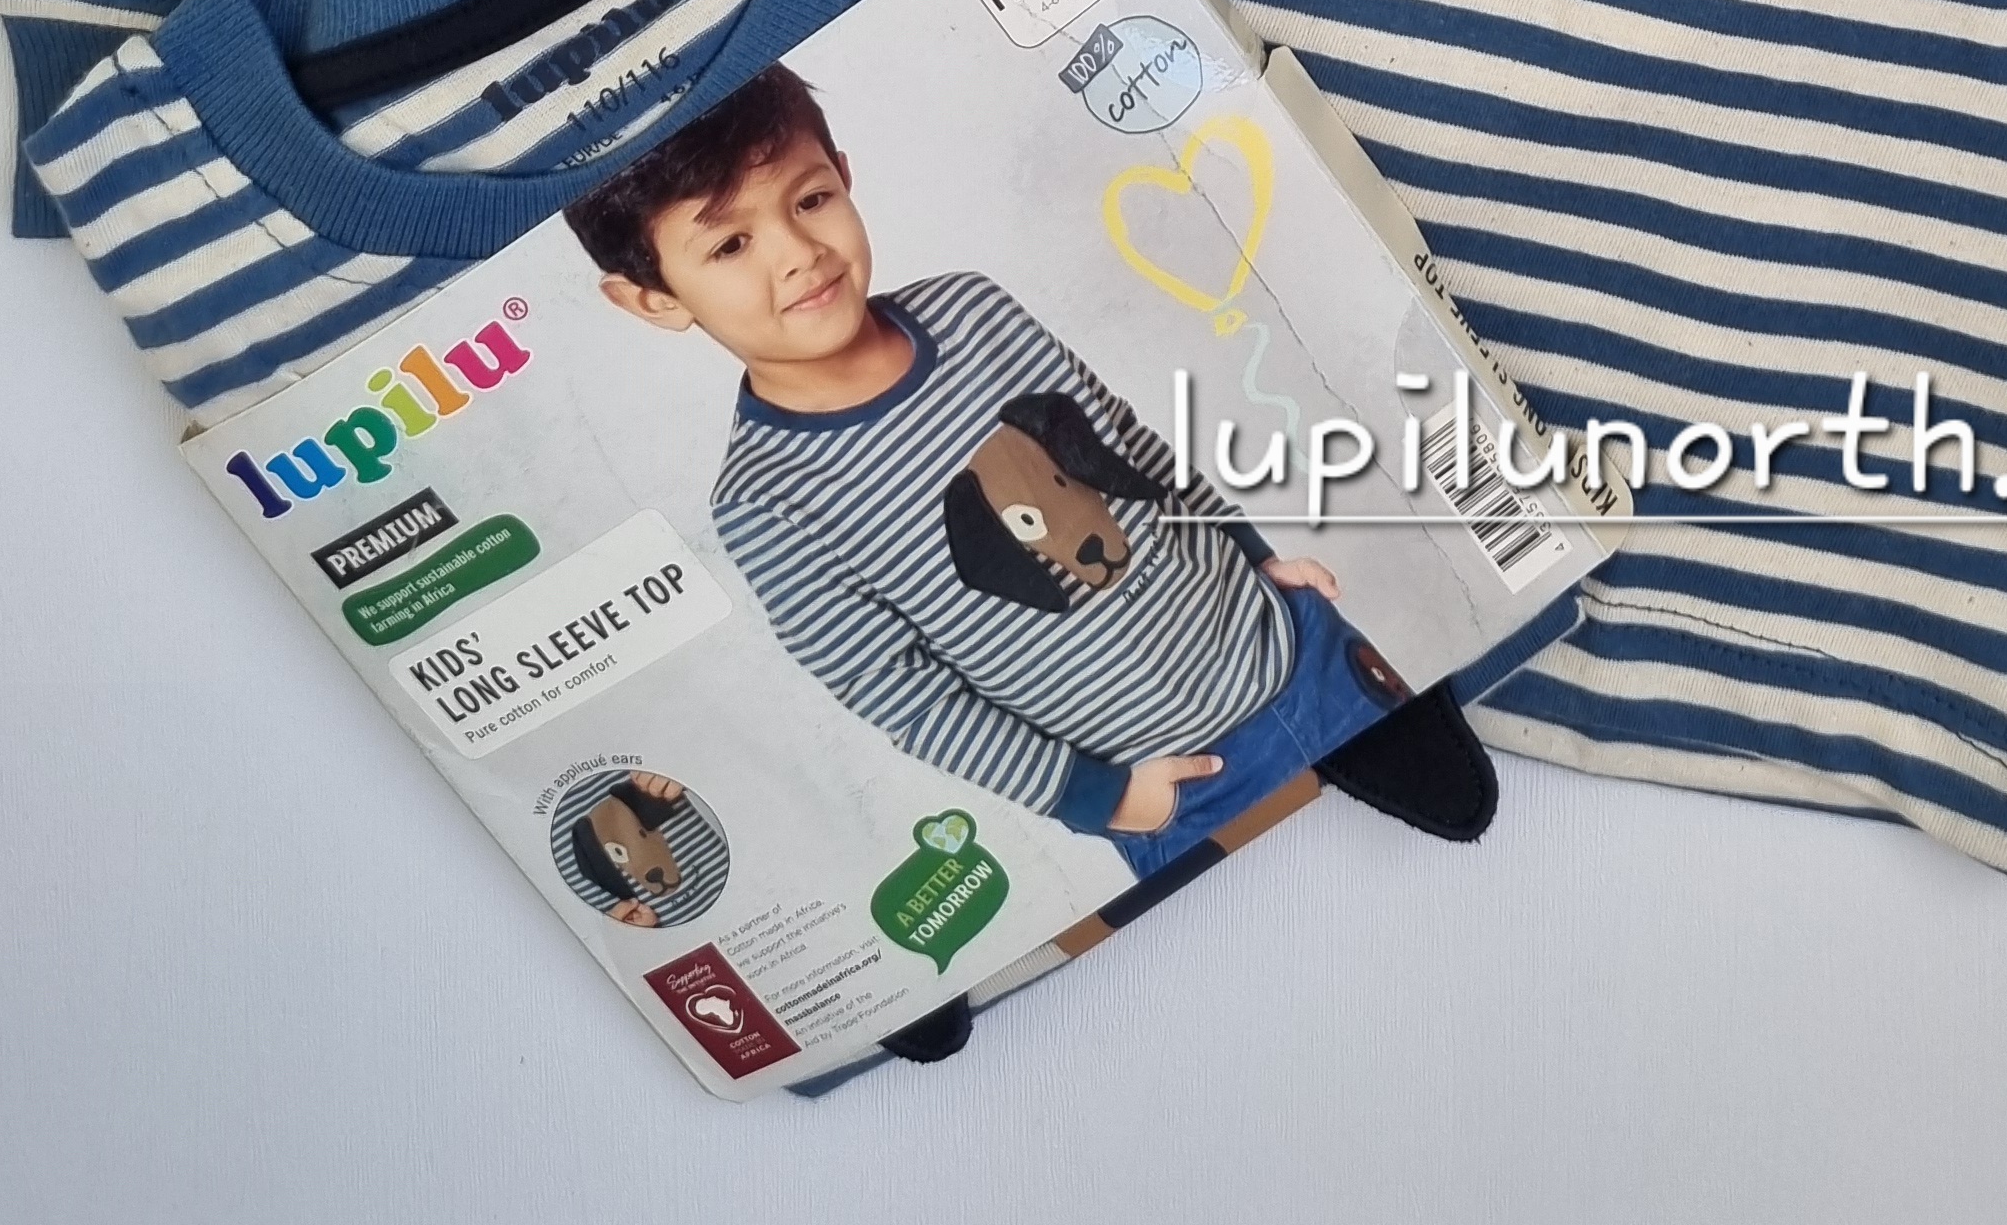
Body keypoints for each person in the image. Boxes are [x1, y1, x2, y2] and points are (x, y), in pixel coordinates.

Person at [569, 66, 1405, 868]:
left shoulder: (971, 309)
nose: (798, 253)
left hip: (1300, 650)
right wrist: (1102, 799)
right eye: (731, 245)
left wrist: (1256, 555)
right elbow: (898, 691)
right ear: (654, 298)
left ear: (845, 176)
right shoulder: (767, 501)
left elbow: (1128, 446)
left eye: (812, 199)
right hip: (1183, 789)